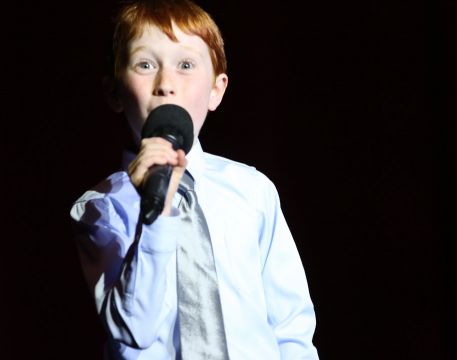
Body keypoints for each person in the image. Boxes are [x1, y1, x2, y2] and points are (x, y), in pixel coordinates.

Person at [70, 0, 319, 358]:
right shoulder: (100, 206)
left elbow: (291, 323)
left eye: (185, 65)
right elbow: (131, 331)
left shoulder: (252, 190)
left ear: (216, 89)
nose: (166, 84)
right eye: (145, 64)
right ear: (114, 92)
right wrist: (156, 215)